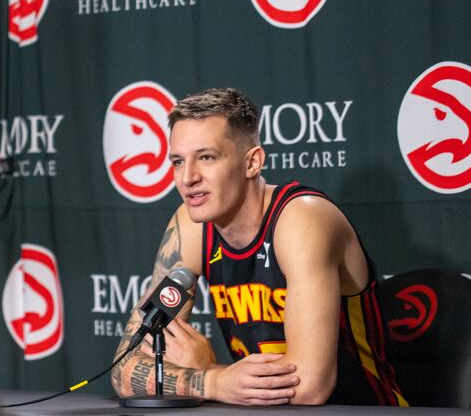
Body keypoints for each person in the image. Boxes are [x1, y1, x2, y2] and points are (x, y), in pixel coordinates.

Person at [110, 88, 408, 406]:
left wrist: (212, 372)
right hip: (262, 411)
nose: (188, 178)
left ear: (252, 162)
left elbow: (310, 388)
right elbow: (124, 368)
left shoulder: (302, 218)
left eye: (207, 157)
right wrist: (212, 381)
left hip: (362, 410)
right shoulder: (191, 225)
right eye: (178, 161)